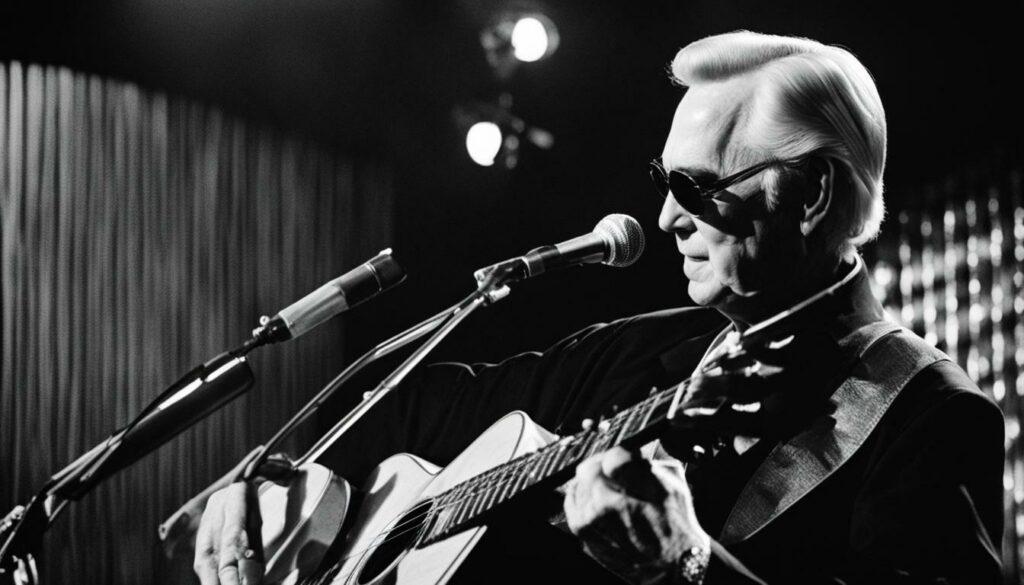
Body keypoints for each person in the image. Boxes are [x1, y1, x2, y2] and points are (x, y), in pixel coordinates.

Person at [192, 31, 1004, 584]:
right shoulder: (640, 354)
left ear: (812, 192)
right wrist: (280, 474)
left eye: (696, 187)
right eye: (663, 184)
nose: (665, 219)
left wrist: (689, 562)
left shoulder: (927, 414)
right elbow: (414, 405)